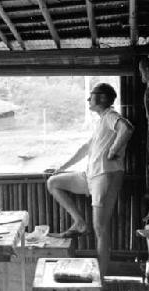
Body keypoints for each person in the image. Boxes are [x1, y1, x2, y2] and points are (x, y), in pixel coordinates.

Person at [45, 82, 134, 277]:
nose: (88, 99)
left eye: (91, 96)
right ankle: (79, 223)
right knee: (53, 182)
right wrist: (61, 168)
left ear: (101, 99)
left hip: (105, 176)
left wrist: (113, 150)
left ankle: (101, 277)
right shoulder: (101, 120)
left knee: (101, 229)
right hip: (90, 176)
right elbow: (86, 148)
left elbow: (127, 129)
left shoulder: (111, 115)